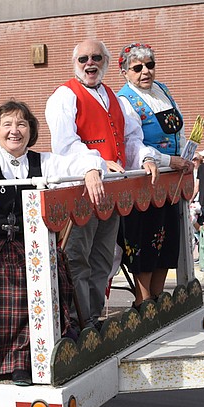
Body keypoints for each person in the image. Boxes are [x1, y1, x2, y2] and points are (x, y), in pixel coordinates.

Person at [0, 84, 107, 385]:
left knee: (35, 273)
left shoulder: (44, 162)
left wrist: (91, 170)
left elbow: (82, 160)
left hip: (30, 244)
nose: (15, 130)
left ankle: (22, 362)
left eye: (22, 124)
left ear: (31, 131)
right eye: (7, 124)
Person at [45, 39, 161, 328]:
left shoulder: (116, 98)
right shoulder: (64, 95)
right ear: (75, 63)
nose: (89, 63)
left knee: (102, 259)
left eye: (96, 57)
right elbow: (65, 143)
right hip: (81, 190)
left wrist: (146, 158)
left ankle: (93, 318)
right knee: (77, 258)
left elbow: (132, 139)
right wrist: (94, 162)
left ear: (106, 61)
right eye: (83, 58)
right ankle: (76, 321)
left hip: (111, 191)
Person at [115, 43, 191, 307]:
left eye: (149, 65)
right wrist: (170, 159)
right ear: (124, 71)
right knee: (146, 239)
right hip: (146, 179)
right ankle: (143, 300)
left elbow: (177, 131)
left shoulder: (163, 91)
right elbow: (131, 144)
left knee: (167, 240)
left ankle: (157, 297)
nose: (145, 72)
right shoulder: (125, 100)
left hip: (171, 179)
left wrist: (187, 155)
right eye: (137, 68)